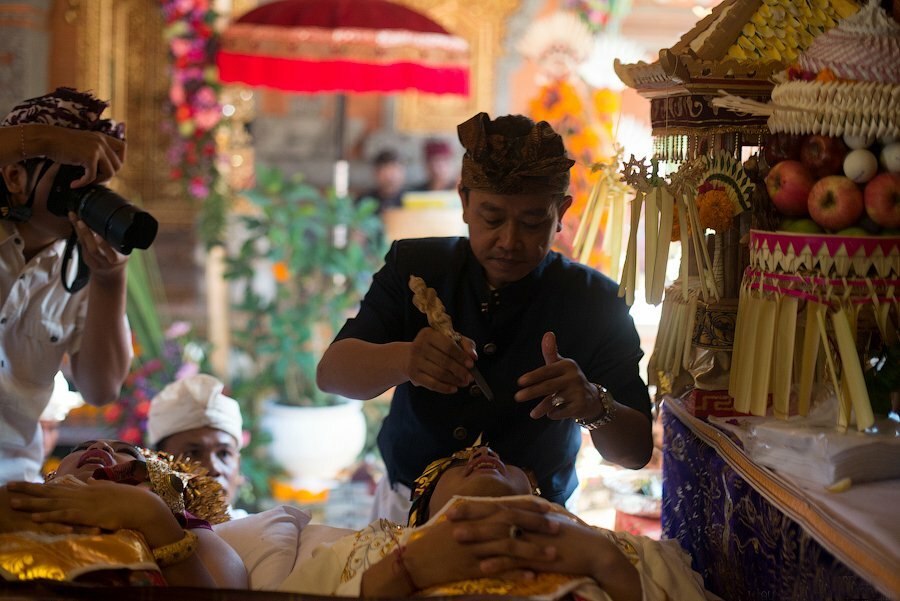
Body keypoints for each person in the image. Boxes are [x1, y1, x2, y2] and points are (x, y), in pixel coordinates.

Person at [317, 112, 653, 522]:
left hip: (534, 514)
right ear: (464, 202)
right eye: (492, 218)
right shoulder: (416, 267)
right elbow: (331, 374)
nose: (509, 241)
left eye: (532, 222)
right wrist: (403, 360)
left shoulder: (595, 301)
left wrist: (594, 404)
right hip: (406, 504)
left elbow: (636, 453)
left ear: (561, 211)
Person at [279, 443, 714, 600]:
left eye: (504, 460)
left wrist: (607, 566)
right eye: (461, 460)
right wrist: (401, 572)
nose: (484, 452)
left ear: (534, 490)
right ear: (421, 508)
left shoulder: (634, 551)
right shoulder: (356, 551)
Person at [0, 88, 132, 485]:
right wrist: (42, 140)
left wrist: (111, 280)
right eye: (74, 173)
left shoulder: (78, 271)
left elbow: (101, 388)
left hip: (13, 484)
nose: (86, 192)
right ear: (15, 176)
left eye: (97, 181)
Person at [0, 439, 247, 588]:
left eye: (126, 452)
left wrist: (153, 517)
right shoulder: (16, 501)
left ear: (153, 480)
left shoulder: (179, 525)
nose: (100, 446)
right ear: (52, 475)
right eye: (83, 447)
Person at [147, 374, 246, 517]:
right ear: (158, 465)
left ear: (238, 462)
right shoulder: (139, 536)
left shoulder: (266, 532)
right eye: (192, 453)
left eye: (224, 454)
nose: (213, 468)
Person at [357, 148, 407, 214]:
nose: (390, 177)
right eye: (385, 172)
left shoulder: (413, 200)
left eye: (394, 171)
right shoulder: (364, 201)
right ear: (376, 173)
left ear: (403, 172)